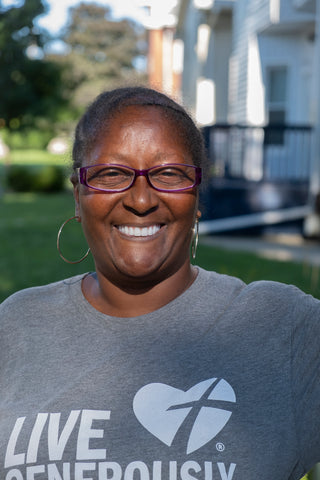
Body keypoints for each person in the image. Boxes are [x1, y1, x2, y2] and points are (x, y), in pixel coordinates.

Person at [0, 86, 320, 480]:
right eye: (112, 174)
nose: (140, 199)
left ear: (196, 197)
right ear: (78, 197)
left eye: (169, 174)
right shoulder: (15, 326)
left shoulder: (285, 329)